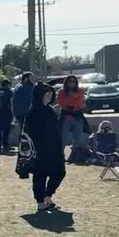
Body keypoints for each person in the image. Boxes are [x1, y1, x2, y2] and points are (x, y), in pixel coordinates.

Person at [25, 83, 66, 211]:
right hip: (40, 150)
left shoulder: (49, 109)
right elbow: (31, 133)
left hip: (55, 148)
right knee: (40, 176)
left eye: (50, 94)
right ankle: (40, 201)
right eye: (46, 94)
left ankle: (48, 195)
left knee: (59, 172)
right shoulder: (33, 111)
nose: (49, 96)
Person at [55, 76, 87, 162]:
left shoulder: (80, 90)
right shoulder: (61, 91)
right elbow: (60, 101)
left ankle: (74, 156)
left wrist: (72, 97)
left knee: (78, 138)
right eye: (70, 81)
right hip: (66, 116)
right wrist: (70, 99)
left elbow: (80, 101)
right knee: (63, 138)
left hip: (78, 116)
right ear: (66, 82)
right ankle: (60, 156)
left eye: (73, 81)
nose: (72, 83)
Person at [0, 79, 14, 153]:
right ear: (7, 85)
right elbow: (11, 103)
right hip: (7, 114)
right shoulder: (9, 92)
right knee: (6, 131)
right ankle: (5, 146)